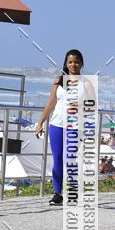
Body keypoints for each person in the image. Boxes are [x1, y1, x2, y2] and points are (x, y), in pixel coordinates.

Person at [34, 49, 85, 205]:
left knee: (70, 159)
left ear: (81, 63)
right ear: (66, 63)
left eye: (76, 61)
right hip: (57, 124)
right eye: (70, 61)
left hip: (74, 127)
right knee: (57, 159)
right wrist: (40, 122)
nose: (73, 64)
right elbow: (51, 103)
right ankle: (57, 194)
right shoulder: (58, 80)